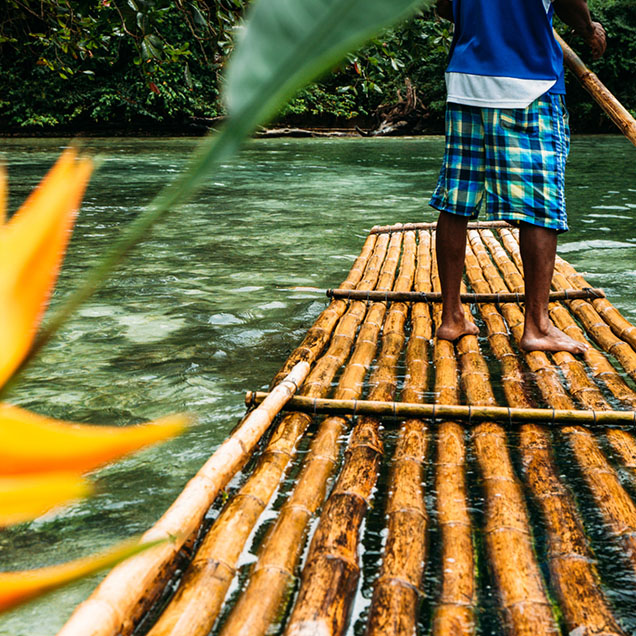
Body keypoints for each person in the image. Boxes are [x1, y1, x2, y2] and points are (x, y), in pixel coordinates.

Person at [431, 0, 606, 353]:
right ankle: (538, 327)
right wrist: (589, 30)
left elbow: (445, 8)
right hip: (528, 84)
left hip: (465, 83)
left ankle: (452, 318)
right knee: (541, 207)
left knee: (457, 200)